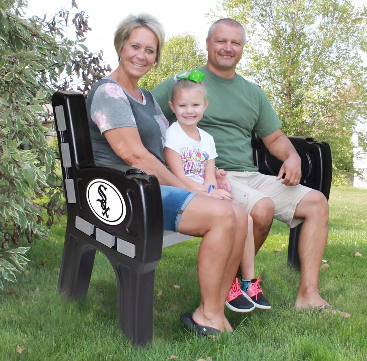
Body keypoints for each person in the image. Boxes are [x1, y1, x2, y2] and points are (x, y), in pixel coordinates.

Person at [152, 18, 336, 312]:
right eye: (221, 41)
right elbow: (147, 113)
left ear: (242, 48)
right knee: (261, 208)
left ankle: (308, 296)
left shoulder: (253, 93)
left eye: (235, 43)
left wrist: (292, 156)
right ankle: (232, 284)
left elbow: (273, 137)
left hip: (250, 175)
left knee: (316, 203)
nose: (228, 48)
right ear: (209, 44)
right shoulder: (186, 83)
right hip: (212, 176)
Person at [85, 13, 250, 336]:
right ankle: (210, 315)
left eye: (150, 50)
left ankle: (212, 309)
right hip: (128, 192)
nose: (141, 55)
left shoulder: (145, 98)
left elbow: (170, 150)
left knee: (239, 214)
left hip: (152, 187)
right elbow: (133, 154)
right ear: (121, 47)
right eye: (135, 46)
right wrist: (196, 191)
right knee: (221, 215)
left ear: (156, 57)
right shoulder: (109, 92)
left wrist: (209, 178)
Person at [164, 71, 271, 312]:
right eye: (182, 105)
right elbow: (178, 176)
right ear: (172, 106)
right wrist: (209, 193)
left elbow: (209, 173)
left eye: (195, 104)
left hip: (204, 192)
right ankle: (227, 285)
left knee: (245, 216)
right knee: (230, 215)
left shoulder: (208, 139)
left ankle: (248, 282)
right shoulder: (173, 134)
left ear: (205, 106)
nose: (189, 110)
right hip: (184, 192)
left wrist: (213, 189)